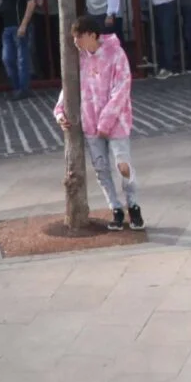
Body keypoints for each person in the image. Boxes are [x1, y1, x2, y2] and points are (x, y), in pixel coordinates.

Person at [55, 15, 141, 229]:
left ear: (92, 35)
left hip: (116, 122)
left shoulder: (116, 54)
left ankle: (134, 205)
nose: (76, 41)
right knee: (101, 169)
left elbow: (122, 89)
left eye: (80, 36)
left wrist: (105, 121)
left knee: (123, 165)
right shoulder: (80, 59)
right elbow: (70, 86)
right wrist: (60, 112)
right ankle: (115, 208)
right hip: (90, 122)